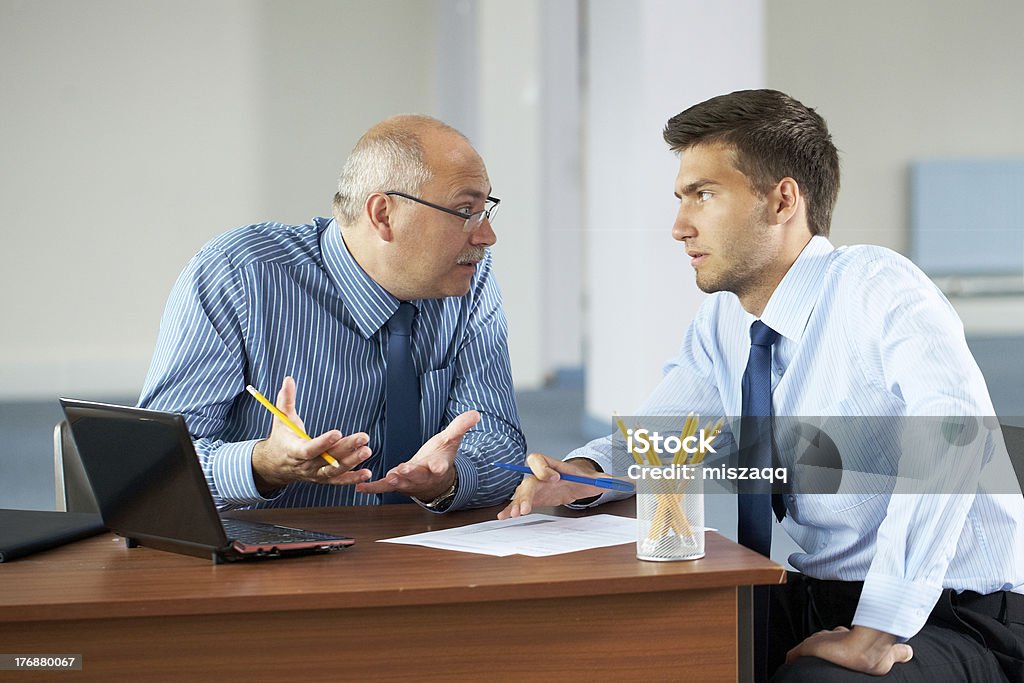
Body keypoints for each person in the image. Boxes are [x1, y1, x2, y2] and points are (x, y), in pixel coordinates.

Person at [499, 90, 1024, 681]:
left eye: (704, 195)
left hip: (951, 613)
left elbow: (953, 433)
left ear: (782, 200)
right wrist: (580, 478)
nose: (679, 226)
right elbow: (665, 439)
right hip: (815, 594)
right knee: (620, 646)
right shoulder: (726, 322)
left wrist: (879, 627)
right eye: (681, 198)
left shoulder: (877, 285)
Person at [139, 114, 525, 513]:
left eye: (485, 210)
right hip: (263, 558)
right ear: (383, 215)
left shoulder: (469, 283)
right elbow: (156, 468)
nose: (486, 236)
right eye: (465, 211)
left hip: (419, 556)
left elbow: (502, 449)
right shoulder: (241, 275)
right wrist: (262, 465)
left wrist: (451, 479)